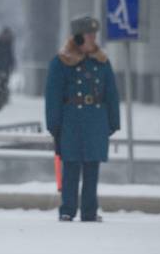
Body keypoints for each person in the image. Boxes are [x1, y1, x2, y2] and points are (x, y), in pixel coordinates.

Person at [45, 15, 120, 222]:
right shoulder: (61, 62)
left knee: (92, 167)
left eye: (94, 35)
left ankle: (89, 211)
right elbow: (53, 95)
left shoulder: (102, 61)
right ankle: (68, 209)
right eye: (89, 35)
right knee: (70, 166)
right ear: (78, 37)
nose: (93, 39)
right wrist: (54, 124)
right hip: (71, 119)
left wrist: (113, 122)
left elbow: (111, 93)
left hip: (96, 119)